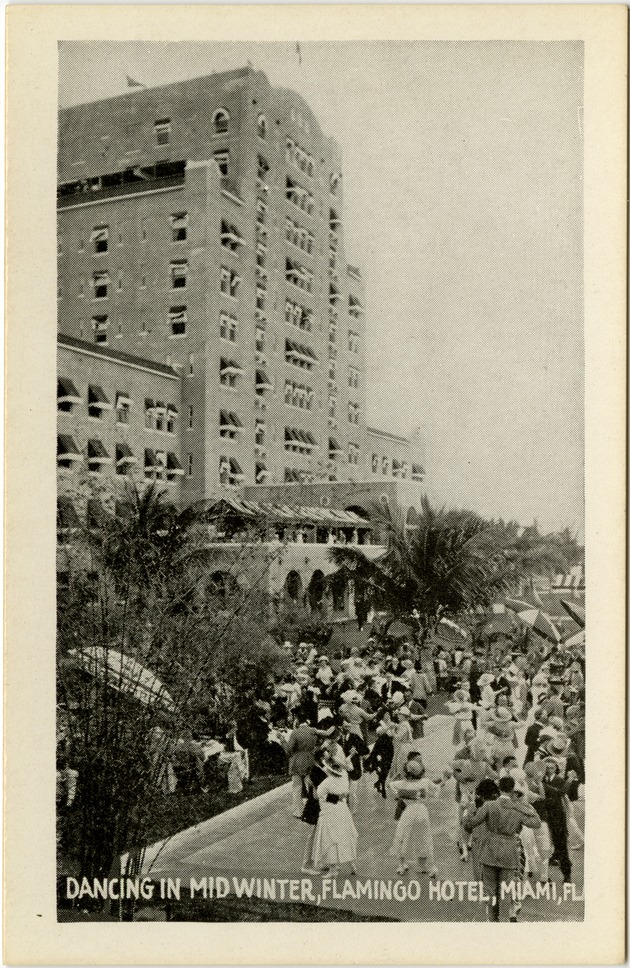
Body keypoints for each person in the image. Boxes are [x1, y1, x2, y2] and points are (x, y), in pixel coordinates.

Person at [463, 775, 541, 922]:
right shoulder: (517, 809)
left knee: (490, 890)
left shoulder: (489, 805)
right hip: (509, 852)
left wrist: (469, 808)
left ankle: (492, 921)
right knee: (505, 890)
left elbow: (470, 824)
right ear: (512, 790)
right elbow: (536, 823)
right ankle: (505, 920)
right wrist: (526, 808)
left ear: (500, 789)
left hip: (490, 850)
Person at [389, 759, 440, 877]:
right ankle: (428, 867)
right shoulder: (426, 782)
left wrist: (396, 782)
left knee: (402, 837)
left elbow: (390, 785)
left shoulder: (402, 784)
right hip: (422, 811)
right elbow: (436, 789)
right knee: (425, 838)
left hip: (409, 811)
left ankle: (401, 865)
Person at [311, 750, 358, 876]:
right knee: (344, 836)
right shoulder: (344, 777)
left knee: (331, 838)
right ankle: (351, 864)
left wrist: (314, 787)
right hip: (343, 810)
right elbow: (345, 793)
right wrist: (338, 797)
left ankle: (333, 869)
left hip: (329, 811)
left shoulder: (327, 783)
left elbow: (318, 796)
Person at [299, 747, 329, 873]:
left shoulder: (320, 768)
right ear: (321, 757)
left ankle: (318, 862)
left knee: (319, 835)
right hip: (316, 807)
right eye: (326, 755)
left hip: (318, 806)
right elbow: (317, 794)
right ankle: (306, 865)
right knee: (313, 836)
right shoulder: (316, 771)